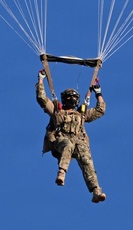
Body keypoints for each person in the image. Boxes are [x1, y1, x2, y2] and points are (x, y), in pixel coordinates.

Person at [36, 70, 106, 203]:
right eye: (69, 97)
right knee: (67, 145)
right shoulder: (57, 111)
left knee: (86, 159)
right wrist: (41, 79)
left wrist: (98, 93)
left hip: (78, 141)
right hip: (60, 141)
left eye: (74, 97)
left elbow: (100, 110)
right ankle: (61, 173)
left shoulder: (81, 114)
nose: (71, 99)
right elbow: (42, 98)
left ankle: (96, 190)